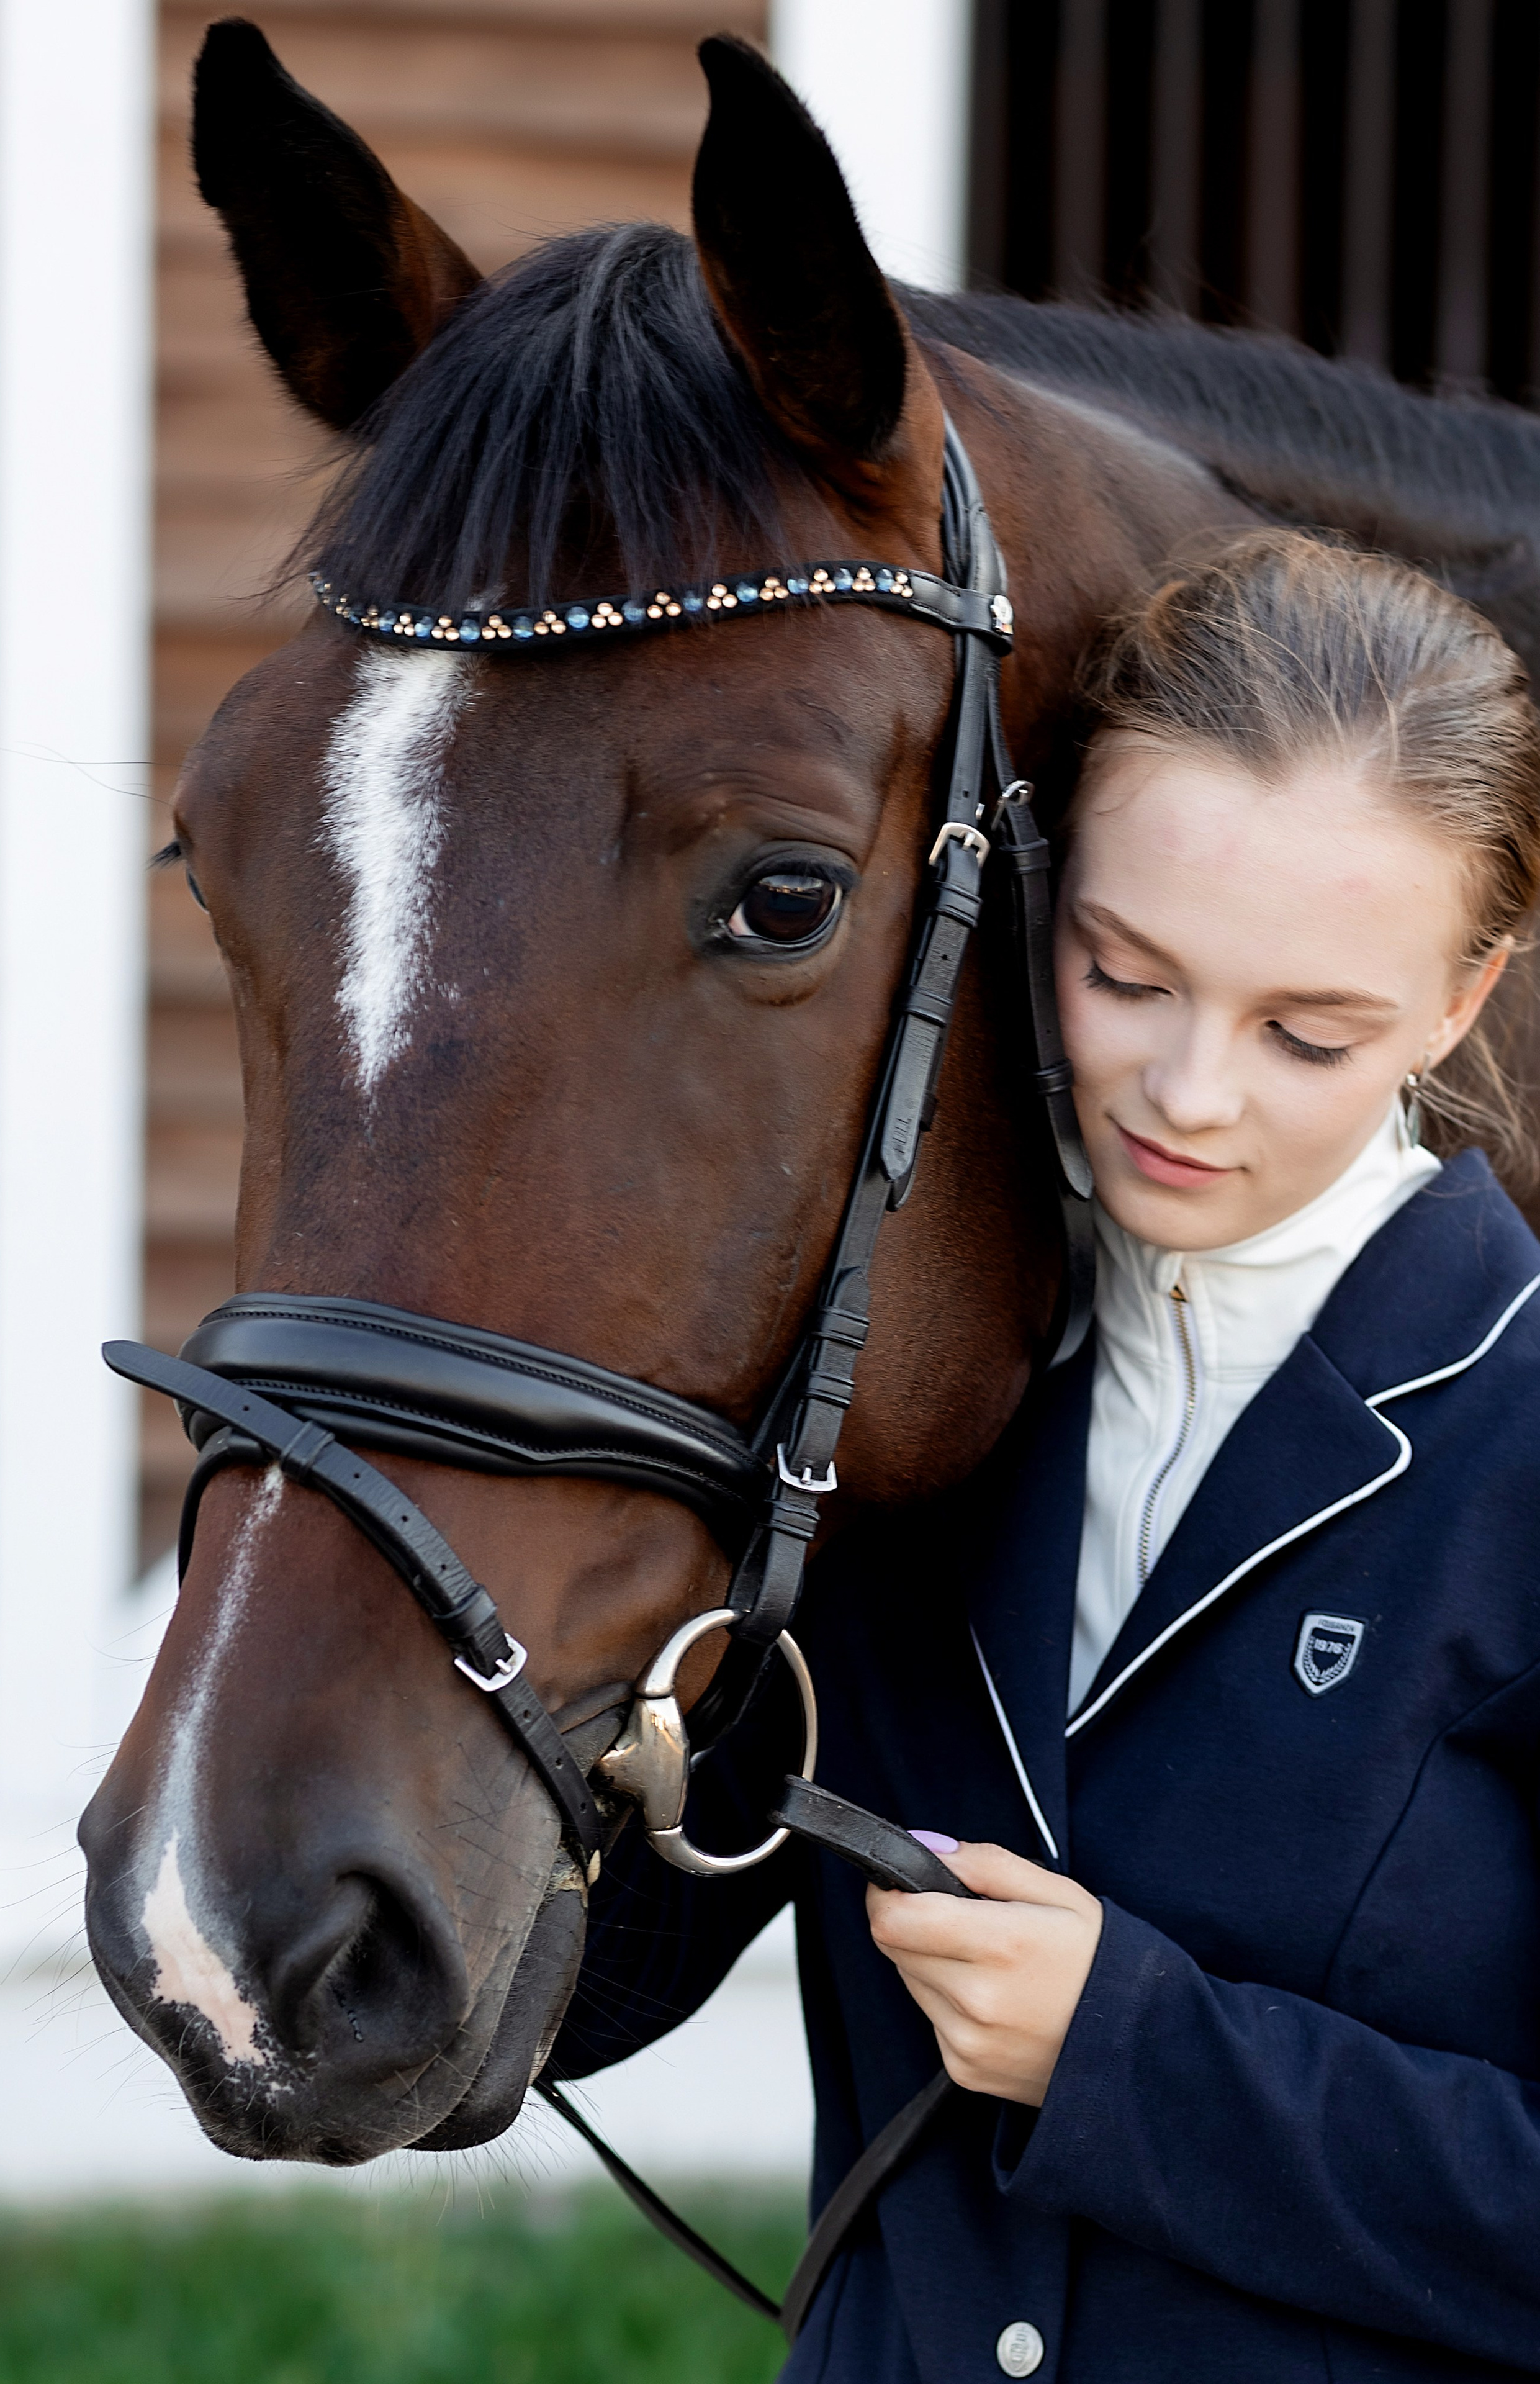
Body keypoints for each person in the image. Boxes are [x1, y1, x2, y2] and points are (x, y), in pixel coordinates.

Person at [552, 531, 1540, 2382]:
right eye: (1124, 974)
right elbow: (577, 1988)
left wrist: (1131, 2055)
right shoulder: (893, 1387)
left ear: (1461, 1000)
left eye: (1306, 1033)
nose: (1191, 1095)